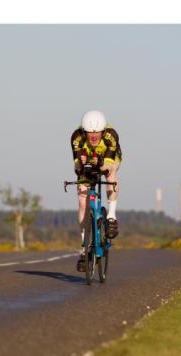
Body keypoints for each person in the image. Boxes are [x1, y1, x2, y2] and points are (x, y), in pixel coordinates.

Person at [71, 110, 122, 272]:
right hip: (87, 164)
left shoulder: (111, 135)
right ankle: (84, 246)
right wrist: (81, 164)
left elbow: (106, 166)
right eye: (89, 133)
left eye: (97, 133)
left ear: (103, 130)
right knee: (82, 200)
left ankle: (111, 215)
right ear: (84, 131)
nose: (93, 136)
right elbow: (77, 168)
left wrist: (98, 163)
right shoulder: (77, 137)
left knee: (111, 173)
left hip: (108, 159)